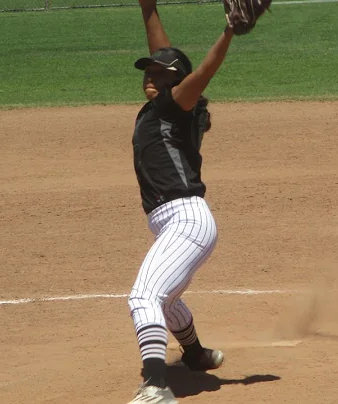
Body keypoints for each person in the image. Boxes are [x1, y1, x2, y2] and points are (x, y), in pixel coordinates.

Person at [125, 0, 237, 402]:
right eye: (148, 72)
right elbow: (167, 57)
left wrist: (228, 32)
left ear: (178, 84)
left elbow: (201, 72)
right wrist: (149, 8)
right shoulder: (164, 104)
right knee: (166, 297)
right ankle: (196, 355)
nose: (151, 77)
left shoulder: (177, 106)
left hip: (186, 219)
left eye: (160, 74)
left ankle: (156, 387)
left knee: (144, 296)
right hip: (175, 221)